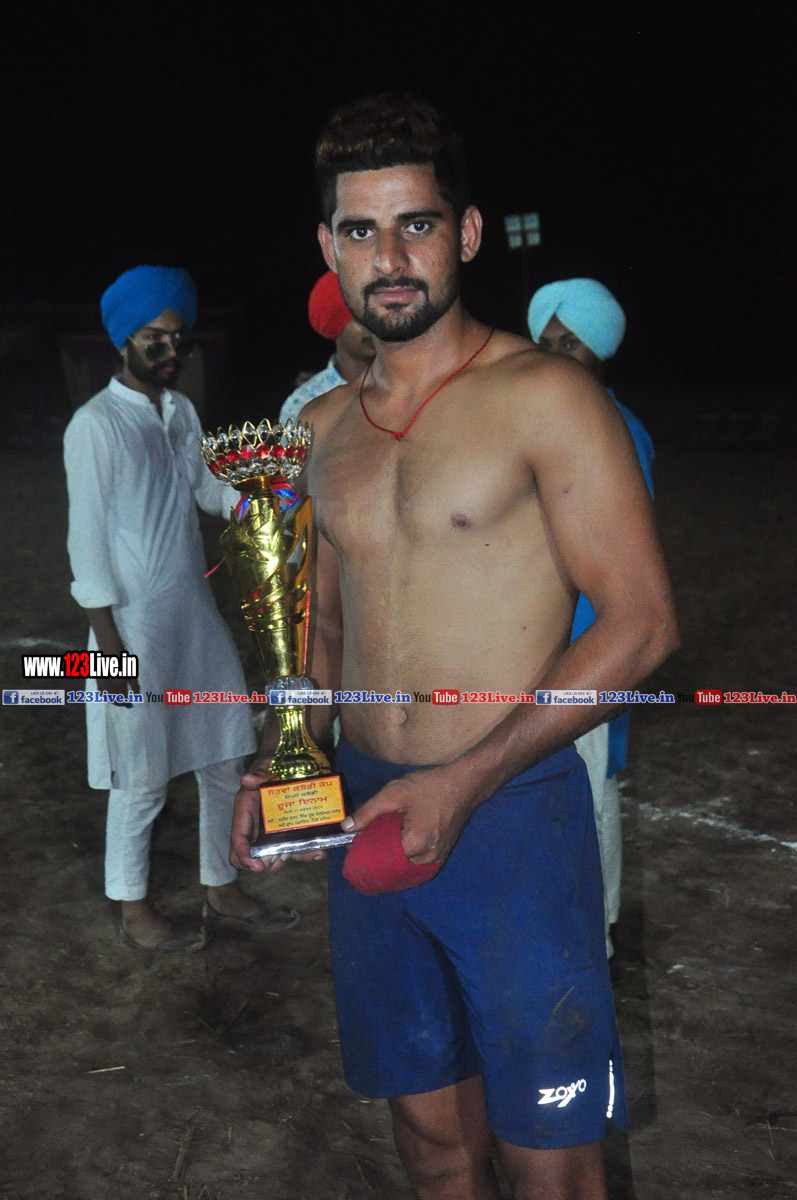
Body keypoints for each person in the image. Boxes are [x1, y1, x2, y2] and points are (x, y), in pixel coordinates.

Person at [231, 95, 678, 1199]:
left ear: (466, 233)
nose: (388, 259)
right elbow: (324, 632)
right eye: (360, 230)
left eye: (416, 225)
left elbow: (641, 625)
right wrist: (286, 761)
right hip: (365, 808)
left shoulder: (545, 397)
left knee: (550, 1163)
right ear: (328, 246)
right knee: (432, 1149)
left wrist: (464, 780)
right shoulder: (320, 431)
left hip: (511, 816)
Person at [63, 265, 298, 951]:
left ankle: (221, 886)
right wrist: (109, 651)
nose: (170, 352)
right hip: (126, 628)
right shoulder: (94, 426)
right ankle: (133, 908)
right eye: (154, 339)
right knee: (139, 777)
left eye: (178, 340)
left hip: (192, 617)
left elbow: (206, 488)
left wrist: (264, 511)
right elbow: (84, 544)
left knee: (225, 749)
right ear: (122, 342)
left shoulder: (180, 412)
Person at [528, 278, 655, 957]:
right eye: (546, 344)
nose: (556, 357)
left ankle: (597, 936)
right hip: (533, 642)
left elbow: (629, 572)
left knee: (588, 787)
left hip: (590, 645)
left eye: (571, 344)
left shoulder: (616, 431)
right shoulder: (540, 425)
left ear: (600, 348)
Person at [279, 270, 374, 425]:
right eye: (360, 319)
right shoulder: (305, 403)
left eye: (377, 316)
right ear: (334, 325)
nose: (374, 328)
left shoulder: (406, 386)